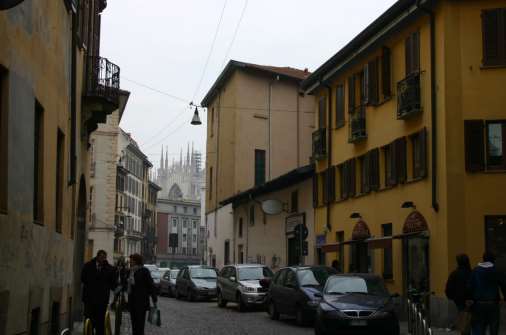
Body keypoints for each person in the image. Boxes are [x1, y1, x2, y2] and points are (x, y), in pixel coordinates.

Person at [468, 251, 506, 335]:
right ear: (493, 260)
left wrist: (469, 298)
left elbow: (470, 286)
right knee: (493, 327)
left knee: (479, 327)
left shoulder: (475, 270)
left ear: (483, 258)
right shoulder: (496, 270)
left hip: (478, 304)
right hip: (493, 303)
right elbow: (503, 285)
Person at [81, 250, 117, 335]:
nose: (102, 260)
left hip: (102, 301)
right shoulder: (88, 266)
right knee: (89, 321)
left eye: (104, 258)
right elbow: (83, 278)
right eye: (101, 257)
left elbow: (113, 284)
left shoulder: (109, 269)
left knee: (100, 323)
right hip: (89, 300)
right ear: (97, 257)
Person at [127, 253, 158, 335]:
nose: (130, 262)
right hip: (132, 302)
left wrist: (154, 299)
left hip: (141, 302)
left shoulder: (144, 271)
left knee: (140, 325)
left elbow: (151, 285)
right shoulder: (130, 271)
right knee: (134, 324)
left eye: (132, 260)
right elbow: (127, 285)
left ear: (136, 261)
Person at [445, 254, 472, 334]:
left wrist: (453, 297)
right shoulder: (471, 272)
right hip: (471, 300)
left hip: (459, 300)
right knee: (469, 320)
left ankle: (464, 332)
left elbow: (449, 288)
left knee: (463, 319)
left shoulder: (455, 273)